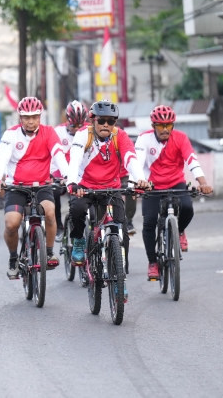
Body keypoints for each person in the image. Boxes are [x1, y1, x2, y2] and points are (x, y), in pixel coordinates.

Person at [66, 100, 150, 300]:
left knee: (122, 232)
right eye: (101, 120)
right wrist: (72, 182)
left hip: (110, 189)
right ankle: (78, 241)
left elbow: (130, 157)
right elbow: (75, 158)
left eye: (110, 121)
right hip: (85, 187)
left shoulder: (119, 135)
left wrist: (140, 179)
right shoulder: (82, 135)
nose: (106, 125)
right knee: (76, 210)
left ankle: (121, 279)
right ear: (93, 120)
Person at [0, 96, 69, 279]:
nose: (30, 121)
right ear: (20, 117)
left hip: (42, 185)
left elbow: (58, 154)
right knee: (11, 223)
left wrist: (67, 177)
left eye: (34, 116)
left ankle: (48, 252)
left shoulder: (49, 133)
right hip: (16, 187)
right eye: (26, 117)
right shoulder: (11, 134)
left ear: (40, 116)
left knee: (49, 212)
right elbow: (2, 158)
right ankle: (13, 258)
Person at [134, 105, 213, 279]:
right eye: (160, 125)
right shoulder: (144, 139)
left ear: (173, 126)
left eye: (168, 125)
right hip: (152, 185)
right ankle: (153, 262)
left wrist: (203, 182)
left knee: (187, 208)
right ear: (153, 125)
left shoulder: (181, 138)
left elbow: (191, 159)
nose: (164, 129)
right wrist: (139, 182)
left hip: (175, 183)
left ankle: (180, 231)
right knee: (149, 223)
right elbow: (137, 162)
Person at [52, 100, 89, 240]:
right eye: (74, 125)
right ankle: (59, 226)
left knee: (80, 199)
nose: (78, 129)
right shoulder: (57, 132)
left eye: (81, 125)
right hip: (59, 173)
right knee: (53, 191)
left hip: (79, 174)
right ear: (67, 120)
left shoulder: (89, 131)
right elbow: (53, 155)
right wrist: (53, 175)